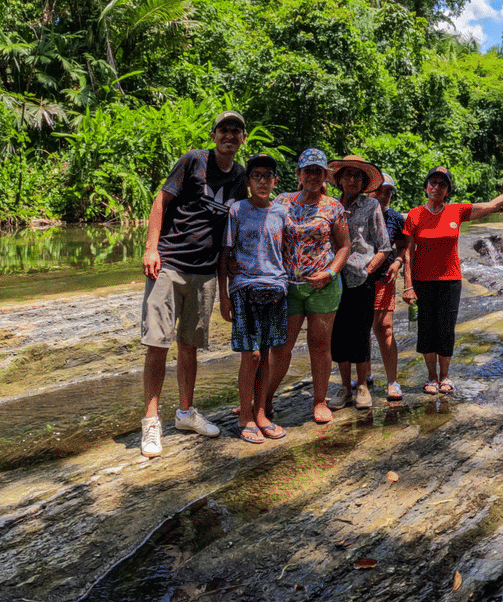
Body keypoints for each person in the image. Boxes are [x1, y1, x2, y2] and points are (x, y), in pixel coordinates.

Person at [139, 110, 247, 457]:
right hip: (169, 263)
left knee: (190, 345)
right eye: (224, 130)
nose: (229, 135)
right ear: (214, 135)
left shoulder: (241, 176)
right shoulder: (193, 161)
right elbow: (161, 200)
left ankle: (185, 413)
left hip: (205, 272)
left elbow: (237, 224)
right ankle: (151, 422)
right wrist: (151, 248)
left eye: (236, 131)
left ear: (242, 139)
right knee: (158, 342)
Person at [401, 167, 503, 395]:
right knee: (426, 330)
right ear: (426, 187)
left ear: (448, 191)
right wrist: (408, 285)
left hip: (450, 281)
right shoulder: (414, 215)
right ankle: (431, 377)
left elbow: (490, 206)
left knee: (446, 330)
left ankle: (445, 377)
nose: (437, 187)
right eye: (433, 183)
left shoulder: (456, 212)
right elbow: (408, 253)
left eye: (442, 184)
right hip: (422, 281)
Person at [266, 148, 351, 423]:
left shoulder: (334, 207)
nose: (313, 176)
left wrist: (330, 273)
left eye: (318, 171)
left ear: (325, 175)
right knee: (281, 348)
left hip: (323, 286)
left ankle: (319, 401)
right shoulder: (281, 202)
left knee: (319, 346)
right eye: (308, 171)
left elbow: (344, 247)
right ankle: (264, 399)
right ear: (298, 174)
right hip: (288, 286)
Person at [219, 154, 288, 444]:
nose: (262, 181)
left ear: (276, 181)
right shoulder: (237, 210)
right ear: (247, 181)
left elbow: (286, 253)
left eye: (267, 176)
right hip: (244, 288)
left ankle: (261, 413)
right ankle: (244, 414)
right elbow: (225, 255)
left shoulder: (282, 213)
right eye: (256, 176)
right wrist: (224, 297)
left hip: (276, 288)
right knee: (252, 354)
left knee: (267, 354)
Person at [326, 155, 391, 411]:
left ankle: (362, 385)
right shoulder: (330, 206)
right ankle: (345, 386)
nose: (352, 179)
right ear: (339, 179)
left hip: (361, 280)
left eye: (357, 176)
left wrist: (368, 269)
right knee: (338, 335)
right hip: (333, 279)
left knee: (361, 334)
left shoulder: (371, 206)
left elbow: (384, 247)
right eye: (347, 175)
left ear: (364, 182)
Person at [365, 172, 407, 401]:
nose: (384, 195)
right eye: (380, 190)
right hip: (358, 279)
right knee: (362, 329)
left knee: (385, 328)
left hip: (383, 277)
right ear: (370, 191)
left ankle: (392, 381)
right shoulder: (358, 212)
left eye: (388, 191)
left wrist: (398, 262)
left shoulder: (396, 218)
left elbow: (403, 245)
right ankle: (366, 376)